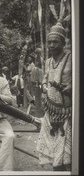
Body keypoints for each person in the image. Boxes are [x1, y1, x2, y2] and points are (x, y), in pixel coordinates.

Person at [37, 22, 72, 171]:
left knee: (66, 155)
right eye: (49, 42)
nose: (51, 45)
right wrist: (45, 87)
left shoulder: (72, 57)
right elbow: (44, 78)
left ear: (63, 43)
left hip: (67, 112)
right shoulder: (48, 61)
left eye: (55, 42)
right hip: (50, 111)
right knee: (53, 151)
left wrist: (69, 88)